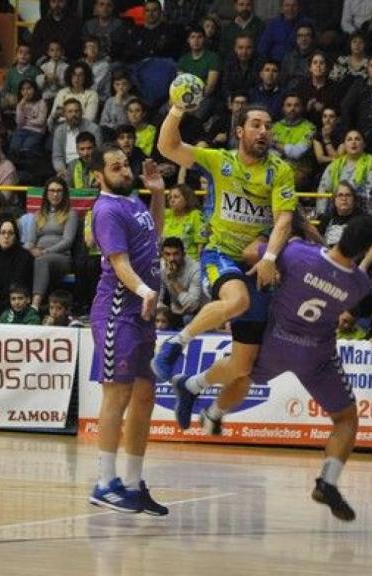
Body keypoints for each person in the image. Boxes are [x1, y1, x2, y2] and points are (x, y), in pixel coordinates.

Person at [177, 215, 372, 520]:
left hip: (278, 343)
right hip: (317, 355)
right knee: (345, 419)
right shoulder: (359, 285)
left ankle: (213, 413)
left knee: (241, 371)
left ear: (343, 232)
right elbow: (338, 268)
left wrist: (287, 236)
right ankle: (327, 481)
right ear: (366, 250)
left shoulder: (298, 255)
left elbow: (249, 251)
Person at [152, 99, 296, 442]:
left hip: (258, 264)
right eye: (257, 125)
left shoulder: (279, 170)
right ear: (240, 131)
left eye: (268, 126)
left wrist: (270, 258)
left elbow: (284, 221)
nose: (264, 131)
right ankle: (175, 344)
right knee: (237, 300)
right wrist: (175, 108)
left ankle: (192, 387)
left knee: (245, 369)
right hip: (219, 254)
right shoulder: (219, 161)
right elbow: (167, 146)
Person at [87, 147, 168, 516]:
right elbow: (119, 263)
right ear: (98, 176)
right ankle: (105, 483)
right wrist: (144, 290)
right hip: (119, 312)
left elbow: (154, 236)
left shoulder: (132, 199)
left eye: (125, 164)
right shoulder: (105, 210)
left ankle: (133, 484)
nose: (124, 170)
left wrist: (158, 194)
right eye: (115, 167)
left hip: (142, 312)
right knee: (117, 395)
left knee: (145, 396)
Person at [26, 177, 78, 311]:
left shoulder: (71, 214)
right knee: (20, 258)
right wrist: (28, 250)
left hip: (61, 257)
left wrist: (45, 251)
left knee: (41, 260)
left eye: (59, 191)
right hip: (39, 254)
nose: (55, 194)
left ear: (64, 194)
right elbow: (31, 240)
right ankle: (18, 303)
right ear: (46, 194)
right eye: (52, 191)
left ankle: (35, 305)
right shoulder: (38, 214)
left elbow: (68, 241)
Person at [159, 236, 204, 328]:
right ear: (163, 255)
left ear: (183, 254)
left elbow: (192, 306)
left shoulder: (195, 269)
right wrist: (164, 310)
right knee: (158, 319)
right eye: (167, 254)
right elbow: (158, 299)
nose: (171, 259)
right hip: (174, 310)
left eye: (176, 254)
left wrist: (174, 280)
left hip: (199, 311)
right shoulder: (160, 267)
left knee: (187, 319)